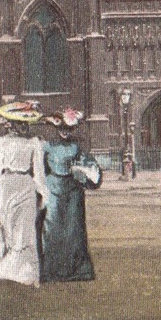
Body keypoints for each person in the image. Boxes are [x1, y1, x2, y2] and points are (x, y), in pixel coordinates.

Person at [0, 100, 47, 286]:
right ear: (11, 123)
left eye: (26, 123)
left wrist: (42, 195)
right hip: (5, 187)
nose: (24, 127)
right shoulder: (0, 143)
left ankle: (26, 273)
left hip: (26, 187)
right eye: (20, 123)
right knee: (7, 230)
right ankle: (6, 269)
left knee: (25, 231)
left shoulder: (34, 143)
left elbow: (38, 171)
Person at [40, 108, 102, 282]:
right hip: (53, 188)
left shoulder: (77, 146)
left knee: (73, 228)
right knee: (51, 227)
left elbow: (88, 166)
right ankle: (51, 270)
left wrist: (82, 171)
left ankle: (74, 269)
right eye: (62, 128)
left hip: (73, 190)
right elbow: (42, 168)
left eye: (68, 129)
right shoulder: (48, 146)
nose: (65, 132)